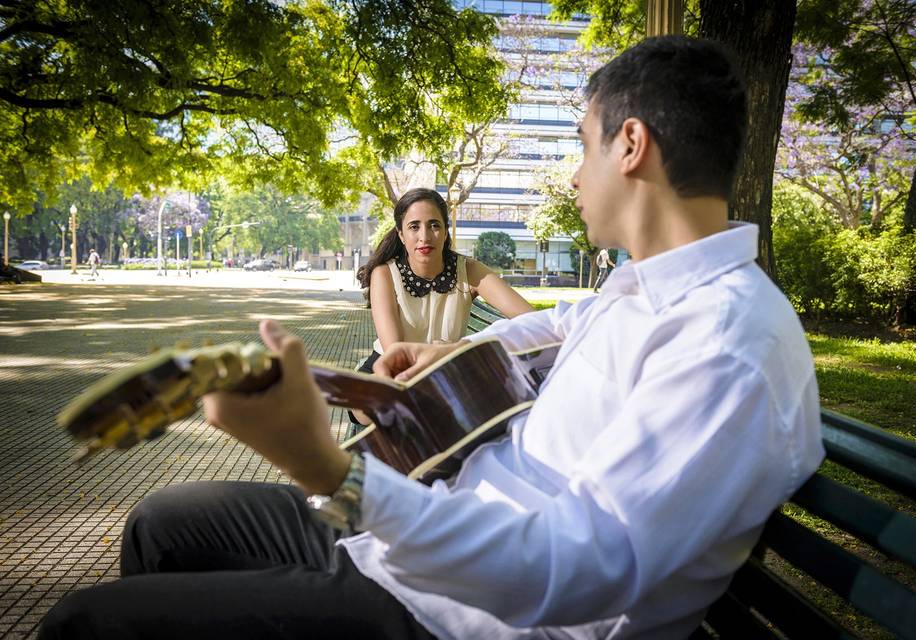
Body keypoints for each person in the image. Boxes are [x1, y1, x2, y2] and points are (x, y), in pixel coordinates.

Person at [40, 36, 824, 640]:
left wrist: (327, 467)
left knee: (85, 624)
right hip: (421, 535)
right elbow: (544, 331)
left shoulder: (726, 343)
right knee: (162, 524)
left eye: (582, 146)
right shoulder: (638, 293)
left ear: (630, 145)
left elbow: (580, 567)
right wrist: (431, 361)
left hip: (462, 614)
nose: (575, 175)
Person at [348, 187, 533, 426]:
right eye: (414, 226)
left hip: (447, 375)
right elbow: (397, 355)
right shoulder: (384, 274)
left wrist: (465, 350)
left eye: (434, 225)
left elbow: (531, 319)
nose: (424, 236)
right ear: (401, 235)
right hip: (389, 372)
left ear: (446, 231)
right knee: (377, 404)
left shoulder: (469, 270)